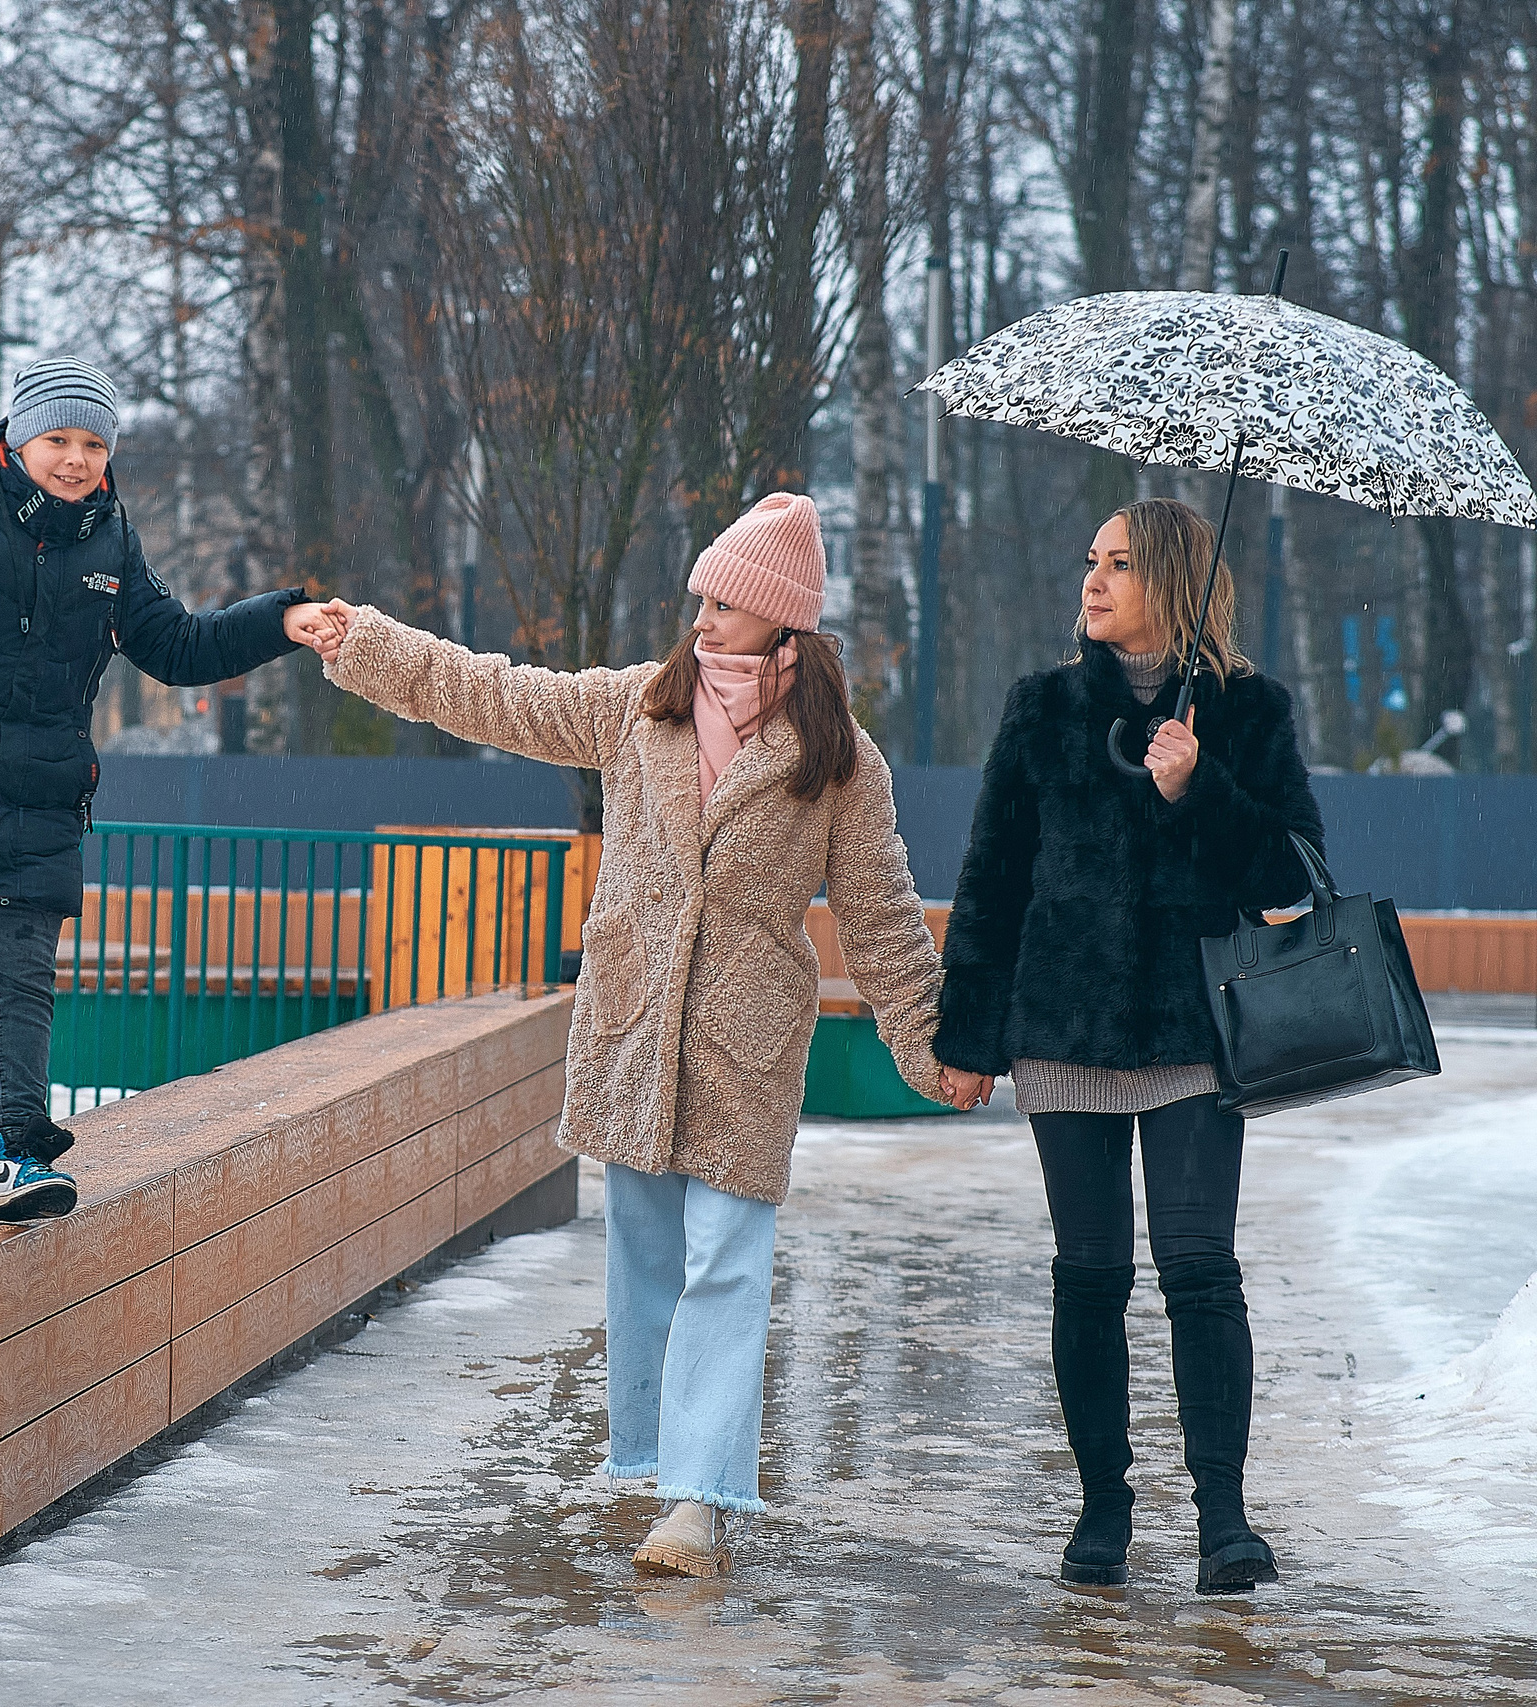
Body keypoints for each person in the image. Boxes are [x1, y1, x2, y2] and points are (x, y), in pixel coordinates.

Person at [316, 492, 962, 1578]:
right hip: (631, 1026)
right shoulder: (636, 710)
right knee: (647, 1259)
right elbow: (493, 695)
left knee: (726, 1260)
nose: (704, 618)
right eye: (703, 596)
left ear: (785, 624)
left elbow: (883, 916)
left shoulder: (838, 759)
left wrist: (926, 1045)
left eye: (730, 603)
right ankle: (661, 1463)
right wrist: (367, 644)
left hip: (745, 1043)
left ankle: (698, 1505)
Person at [0, 358, 345, 1222]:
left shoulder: (111, 545)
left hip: (44, 802)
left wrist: (280, 620)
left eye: (92, 443)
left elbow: (180, 647)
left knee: (25, 975)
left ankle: (14, 1145)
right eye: (58, 440)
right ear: (16, 437)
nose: (75, 459)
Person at [931, 496, 1324, 1595]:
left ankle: (1224, 1522)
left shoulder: (1249, 711)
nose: (1092, 581)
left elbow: (1290, 880)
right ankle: (1103, 1507)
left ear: (1174, 583)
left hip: (1194, 1031)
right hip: (1061, 1030)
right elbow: (990, 883)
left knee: (1199, 1272)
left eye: (1119, 564)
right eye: (1088, 560)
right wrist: (968, 1035)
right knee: (1088, 1277)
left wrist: (1199, 788)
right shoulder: (1041, 708)